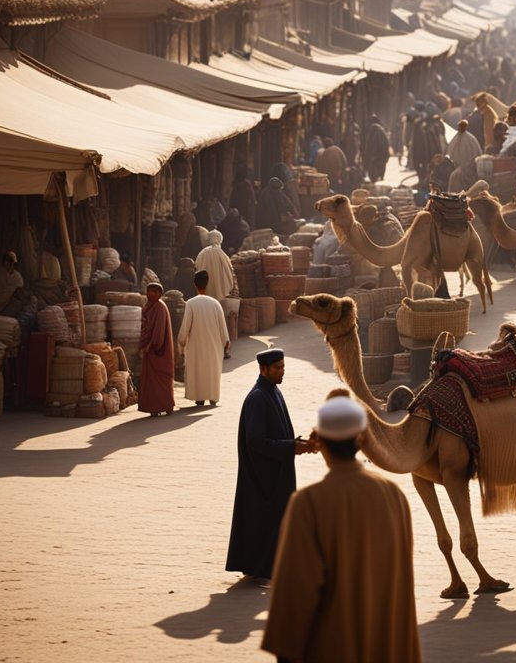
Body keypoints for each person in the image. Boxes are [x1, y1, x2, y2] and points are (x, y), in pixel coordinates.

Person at [263, 392, 420, 661]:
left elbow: (296, 591)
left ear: (319, 439)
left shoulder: (308, 503)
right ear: (361, 438)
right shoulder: (394, 495)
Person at [227, 348, 314, 584]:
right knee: (263, 522)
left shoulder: (274, 392)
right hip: (263, 476)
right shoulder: (257, 398)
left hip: (278, 471)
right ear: (263, 369)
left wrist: (297, 444)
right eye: (277, 368)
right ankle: (262, 569)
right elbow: (255, 441)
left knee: (276, 521)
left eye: (283, 367)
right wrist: (290, 447)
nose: (282, 372)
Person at [178, 271, 230, 407]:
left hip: (196, 346)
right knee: (212, 371)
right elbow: (223, 329)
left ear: (195, 284)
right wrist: (225, 343)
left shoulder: (191, 303)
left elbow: (185, 328)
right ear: (207, 284)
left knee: (198, 371)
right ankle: (213, 397)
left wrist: (181, 342)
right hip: (214, 347)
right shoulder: (215, 304)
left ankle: (199, 398)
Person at [138, 282, 176, 417]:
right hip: (149, 350)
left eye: (154, 292)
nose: (150, 294)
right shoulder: (148, 307)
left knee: (162, 378)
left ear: (160, 294)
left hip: (160, 350)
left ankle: (167, 405)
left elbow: (159, 331)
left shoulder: (160, 307)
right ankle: (153, 407)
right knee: (150, 380)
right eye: (149, 291)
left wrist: (151, 345)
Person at [362, 118, 391, 182]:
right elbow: (386, 144)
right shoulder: (382, 131)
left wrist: (366, 156)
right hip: (380, 157)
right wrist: (386, 155)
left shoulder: (370, 132)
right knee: (380, 170)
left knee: (373, 175)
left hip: (373, 157)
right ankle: (380, 176)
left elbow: (368, 146)